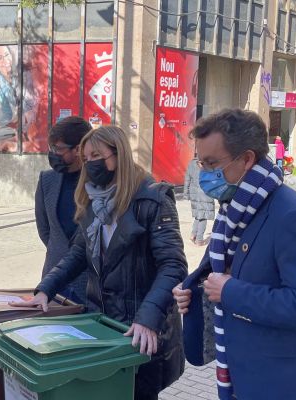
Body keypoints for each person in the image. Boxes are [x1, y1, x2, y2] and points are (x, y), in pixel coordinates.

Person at [172, 109, 296, 400]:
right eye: (200, 162)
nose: (204, 173)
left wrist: (230, 291)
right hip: (244, 373)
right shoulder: (234, 209)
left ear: (247, 159)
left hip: (287, 383)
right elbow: (224, 274)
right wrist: (196, 290)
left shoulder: (292, 214)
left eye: (212, 163)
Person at [13, 126, 188, 400]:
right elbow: (78, 254)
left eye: (96, 155)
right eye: (85, 157)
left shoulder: (152, 199)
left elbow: (173, 266)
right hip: (104, 326)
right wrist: (45, 289)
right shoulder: (94, 200)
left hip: (140, 329)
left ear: (119, 155)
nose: (90, 163)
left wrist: (148, 318)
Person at [34, 116, 92, 304]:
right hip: (53, 283)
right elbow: (45, 230)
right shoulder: (47, 180)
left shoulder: (100, 180)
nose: (53, 154)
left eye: (58, 149)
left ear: (78, 149)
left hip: (90, 284)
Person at [184, 155, 215, 246]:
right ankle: (199, 239)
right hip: (205, 193)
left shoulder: (192, 163)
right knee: (204, 216)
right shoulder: (208, 163)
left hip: (194, 193)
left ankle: (193, 234)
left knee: (199, 215)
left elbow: (187, 178)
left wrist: (186, 193)